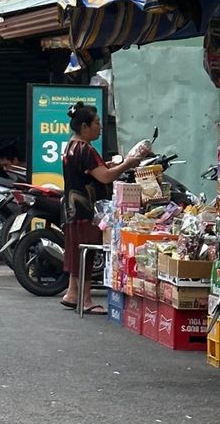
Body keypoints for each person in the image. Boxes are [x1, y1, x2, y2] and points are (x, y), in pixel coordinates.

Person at [60, 104, 152, 312]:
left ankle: (72, 293)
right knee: (87, 252)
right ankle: (86, 300)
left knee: (77, 251)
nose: (100, 127)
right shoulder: (86, 149)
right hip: (86, 209)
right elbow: (105, 177)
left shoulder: (71, 146)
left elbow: (92, 172)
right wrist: (127, 164)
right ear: (85, 126)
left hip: (72, 208)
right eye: (97, 123)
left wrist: (109, 165)